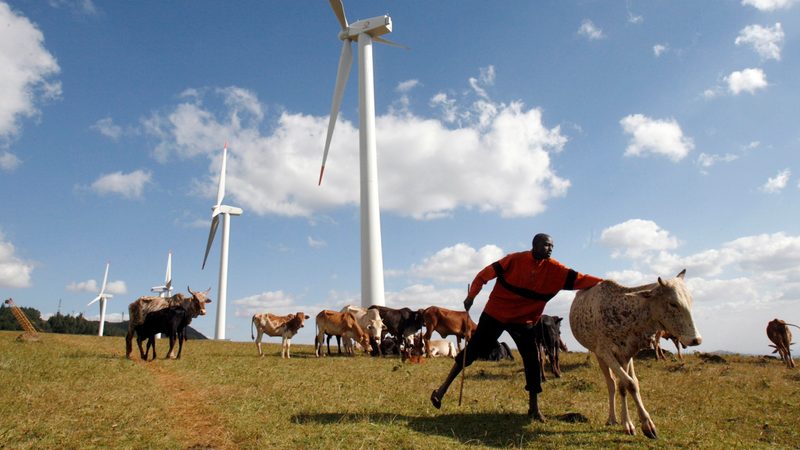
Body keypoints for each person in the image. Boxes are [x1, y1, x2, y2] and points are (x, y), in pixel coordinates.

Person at [429, 233, 603, 421]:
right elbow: (483, 275)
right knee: (471, 352)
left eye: (552, 246)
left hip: (524, 320)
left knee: (533, 360)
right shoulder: (514, 260)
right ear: (534, 245)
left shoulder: (555, 270)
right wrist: (471, 296)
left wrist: (605, 284)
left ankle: (534, 409)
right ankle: (441, 390)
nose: (550, 248)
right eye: (546, 245)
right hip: (496, 313)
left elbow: (581, 279)